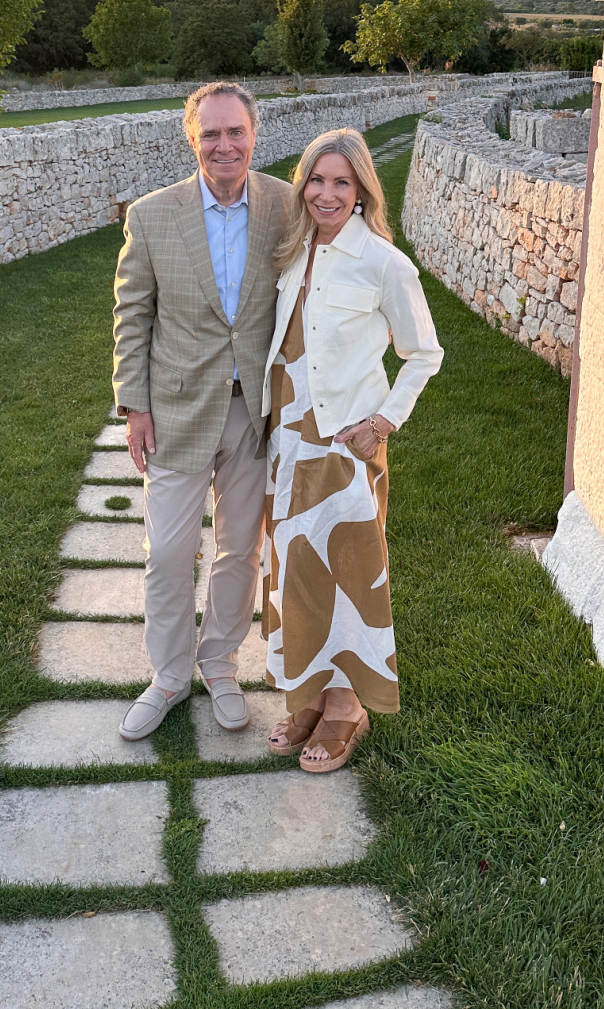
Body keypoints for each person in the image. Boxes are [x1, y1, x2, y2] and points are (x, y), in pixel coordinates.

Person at [112, 82, 293, 741]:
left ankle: (219, 663)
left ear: (254, 134)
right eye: (210, 134)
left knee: (240, 549)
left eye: (235, 132)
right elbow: (133, 314)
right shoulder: (152, 216)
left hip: (254, 412)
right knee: (167, 551)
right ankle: (167, 676)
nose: (224, 145)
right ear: (193, 140)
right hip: (177, 410)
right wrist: (134, 405)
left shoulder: (286, 206)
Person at [260, 127, 443, 771]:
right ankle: (309, 695)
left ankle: (346, 708)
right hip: (287, 441)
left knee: (346, 571)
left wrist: (383, 423)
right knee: (297, 571)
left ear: (363, 190)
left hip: (344, 445)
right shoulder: (294, 252)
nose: (327, 194)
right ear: (302, 185)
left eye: (342, 182)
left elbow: (425, 353)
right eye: (317, 179)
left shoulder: (384, 262)